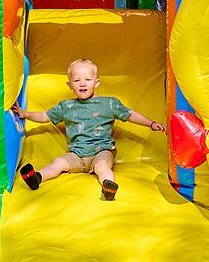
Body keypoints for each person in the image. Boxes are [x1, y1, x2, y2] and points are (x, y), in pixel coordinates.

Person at [12, 58, 165, 201]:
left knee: (102, 167)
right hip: (77, 155)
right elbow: (44, 116)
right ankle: (37, 178)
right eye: (77, 80)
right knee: (58, 162)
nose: (82, 84)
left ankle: (108, 186)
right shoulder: (66, 106)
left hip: (102, 151)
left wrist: (150, 123)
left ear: (96, 82)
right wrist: (25, 114)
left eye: (87, 79)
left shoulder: (109, 104)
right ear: (70, 85)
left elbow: (130, 114)